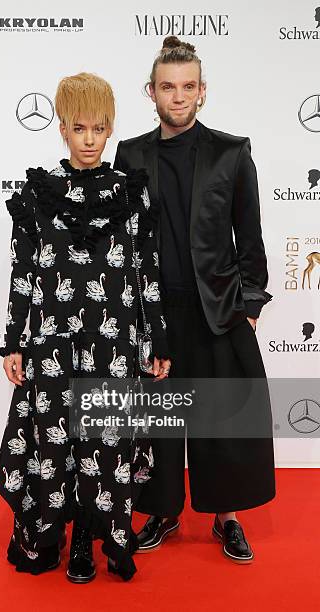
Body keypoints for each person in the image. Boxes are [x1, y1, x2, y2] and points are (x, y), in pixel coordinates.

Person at [0, 72, 171, 582]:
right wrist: (13, 341)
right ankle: (57, 538)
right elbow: (22, 271)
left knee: (107, 445)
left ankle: (92, 544)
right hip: (52, 344)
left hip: (114, 341)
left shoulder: (130, 193)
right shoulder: (37, 193)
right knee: (55, 444)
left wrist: (156, 339)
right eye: (79, 128)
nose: (90, 140)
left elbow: (148, 272)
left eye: (99, 128)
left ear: (111, 128)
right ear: (62, 129)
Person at [114, 37, 276, 564]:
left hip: (218, 310)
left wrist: (248, 307)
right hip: (157, 314)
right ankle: (162, 514)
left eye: (188, 87)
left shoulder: (233, 152)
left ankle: (226, 518)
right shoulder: (131, 154)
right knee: (158, 425)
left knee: (222, 421)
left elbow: (249, 240)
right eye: (168, 87)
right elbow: (123, 241)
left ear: (202, 91)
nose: (178, 96)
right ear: (151, 92)